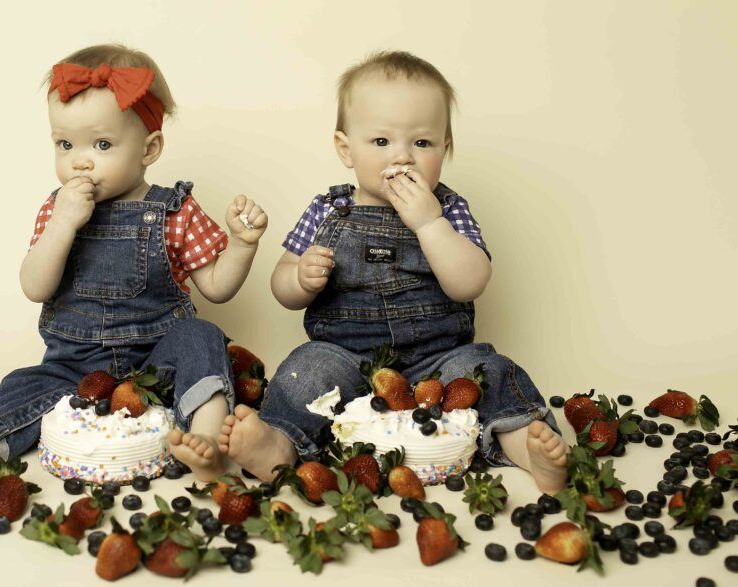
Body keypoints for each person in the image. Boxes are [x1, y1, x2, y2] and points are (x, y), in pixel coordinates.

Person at [0, 43, 266, 487]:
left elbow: (216, 286)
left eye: (102, 144)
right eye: (64, 143)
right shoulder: (57, 209)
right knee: (25, 385)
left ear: (150, 148)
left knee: (202, 336)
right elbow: (35, 286)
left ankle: (206, 442)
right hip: (73, 364)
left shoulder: (174, 210)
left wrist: (243, 245)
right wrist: (63, 225)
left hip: (158, 357)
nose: (80, 159)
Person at [219, 51, 568, 493]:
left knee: (489, 369)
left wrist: (429, 223)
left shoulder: (449, 209)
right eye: (381, 142)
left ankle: (525, 444)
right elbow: (282, 285)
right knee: (303, 371)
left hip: (439, 358)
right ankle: (278, 446)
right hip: (345, 357)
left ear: (445, 148)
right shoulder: (329, 209)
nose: (402, 157)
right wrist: (300, 277)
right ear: (346, 149)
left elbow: (470, 281)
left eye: (421, 143)